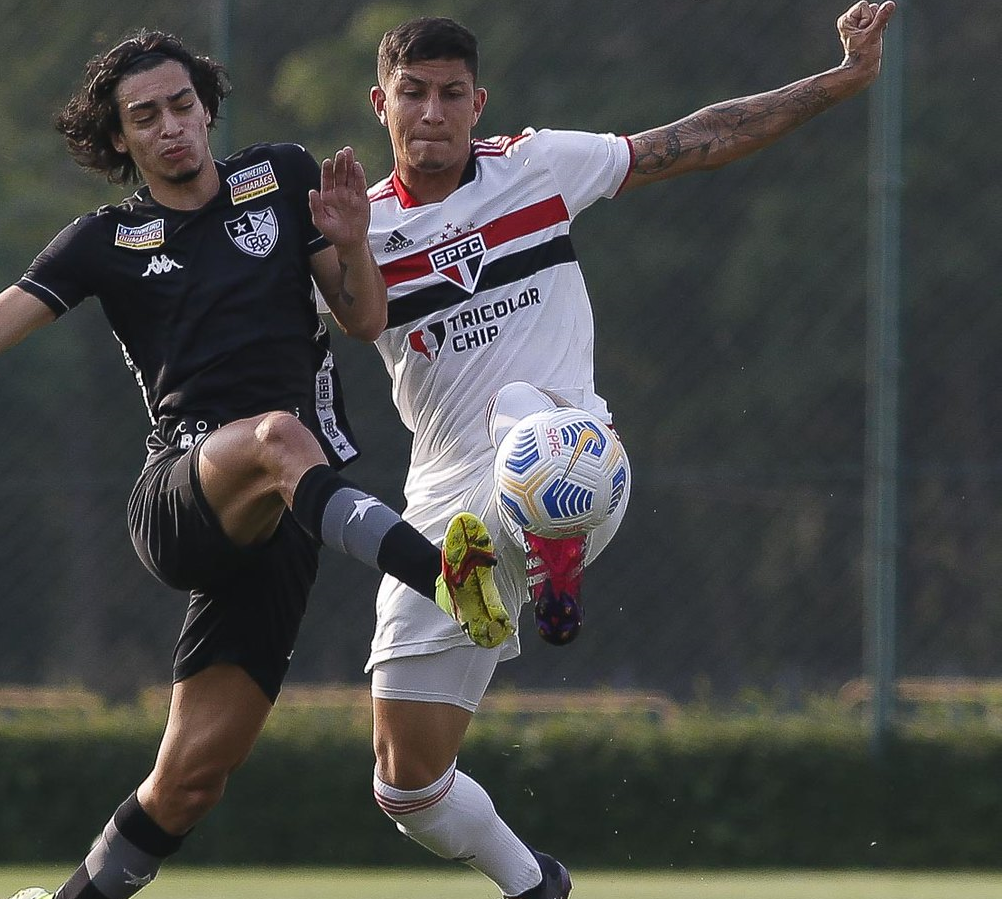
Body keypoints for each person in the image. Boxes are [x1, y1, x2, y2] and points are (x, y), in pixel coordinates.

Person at [0, 30, 497, 899]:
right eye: (146, 117)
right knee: (279, 437)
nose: (172, 127)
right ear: (118, 141)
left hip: (283, 520)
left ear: (208, 108)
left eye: (182, 106)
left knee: (188, 781)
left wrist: (354, 242)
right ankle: (447, 576)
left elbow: (365, 320)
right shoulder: (106, 241)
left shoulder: (285, 178)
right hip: (183, 494)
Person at [353, 4, 897, 898]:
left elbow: (698, 137)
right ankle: (535, 882)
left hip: (572, 461)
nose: (433, 112)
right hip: (443, 512)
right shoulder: (357, 230)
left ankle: (545, 551)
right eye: (413, 94)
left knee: (525, 413)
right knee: (405, 785)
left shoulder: (536, 166)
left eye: (451, 94)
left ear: (477, 102)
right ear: (381, 105)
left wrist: (841, 77)